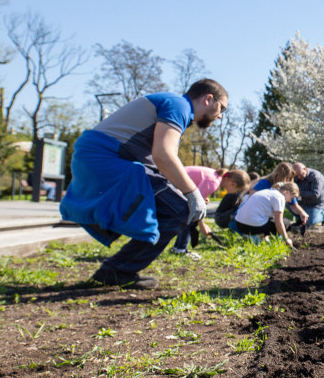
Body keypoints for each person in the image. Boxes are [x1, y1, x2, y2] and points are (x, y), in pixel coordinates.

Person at [60, 78, 229, 289]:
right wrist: (192, 193)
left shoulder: (175, 106)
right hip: (105, 156)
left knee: (173, 205)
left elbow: (158, 161)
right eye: (221, 108)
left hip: (103, 156)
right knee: (178, 210)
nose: (220, 115)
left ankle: (117, 267)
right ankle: (117, 271)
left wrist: (181, 190)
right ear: (208, 99)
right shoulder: (179, 106)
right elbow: (163, 154)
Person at [170, 166, 226, 259]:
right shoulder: (214, 182)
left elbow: (198, 195)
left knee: (187, 215)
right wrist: (202, 226)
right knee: (189, 216)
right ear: (233, 183)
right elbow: (196, 205)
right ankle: (180, 249)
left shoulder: (215, 175)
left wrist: (204, 199)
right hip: (173, 180)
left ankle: (178, 248)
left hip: (173, 179)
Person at [230, 181, 297, 248]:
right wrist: (286, 239)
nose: (290, 201)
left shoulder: (267, 191)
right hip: (251, 227)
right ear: (287, 192)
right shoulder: (280, 197)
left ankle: (257, 236)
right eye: (291, 198)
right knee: (286, 223)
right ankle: (256, 237)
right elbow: (279, 222)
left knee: (272, 221)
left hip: (239, 224)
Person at [251, 162, 308, 227]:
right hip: (257, 214)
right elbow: (252, 196)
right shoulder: (265, 182)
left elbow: (294, 206)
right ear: (279, 175)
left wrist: (302, 212)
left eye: (289, 179)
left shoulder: (287, 189)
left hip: (270, 216)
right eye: (286, 178)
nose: (288, 181)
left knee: (285, 223)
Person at [291, 162, 324, 229]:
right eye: (296, 176)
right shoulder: (297, 177)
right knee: (289, 203)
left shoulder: (316, 177)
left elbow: (315, 194)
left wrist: (299, 193)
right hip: (303, 202)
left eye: (300, 175)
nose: (298, 177)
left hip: (316, 204)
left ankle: (323, 215)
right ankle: (301, 218)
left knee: (310, 222)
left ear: (305, 169)